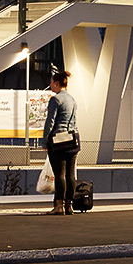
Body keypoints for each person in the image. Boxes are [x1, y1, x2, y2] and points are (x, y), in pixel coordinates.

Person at [42, 68, 80, 215]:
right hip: (73, 139)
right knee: (70, 174)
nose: (50, 85)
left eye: (51, 83)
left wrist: (45, 141)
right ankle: (69, 206)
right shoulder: (72, 99)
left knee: (59, 174)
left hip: (59, 141)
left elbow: (50, 123)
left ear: (57, 84)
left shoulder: (55, 99)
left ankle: (59, 206)